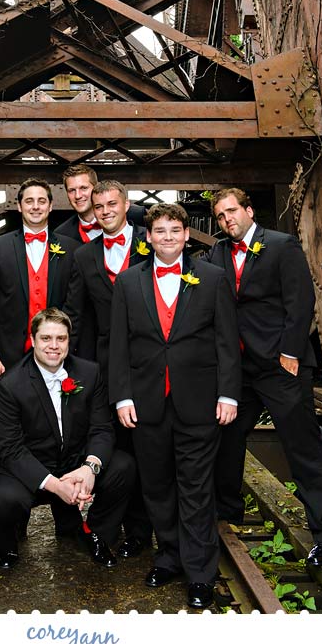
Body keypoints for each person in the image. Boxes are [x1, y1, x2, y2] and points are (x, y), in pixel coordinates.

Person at [109, 203, 241, 609]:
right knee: (158, 486)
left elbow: (226, 341)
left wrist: (228, 393)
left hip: (199, 403)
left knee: (197, 489)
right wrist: (122, 396)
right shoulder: (128, 282)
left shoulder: (213, 279)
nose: (167, 237)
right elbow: (119, 345)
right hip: (147, 403)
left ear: (187, 235)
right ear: (148, 238)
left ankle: (200, 573)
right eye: (159, 231)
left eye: (174, 230)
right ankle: (168, 556)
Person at [208, 187, 322, 567]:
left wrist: (290, 354)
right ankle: (228, 516)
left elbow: (300, 303)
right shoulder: (217, 253)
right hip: (239, 371)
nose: (226, 220)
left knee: (302, 448)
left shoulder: (282, 246)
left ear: (249, 210)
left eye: (231, 211)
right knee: (226, 439)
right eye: (220, 216)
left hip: (280, 366)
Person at [0, 308, 135, 571]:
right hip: (25, 467)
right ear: (33, 340)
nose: (54, 346)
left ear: (68, 341)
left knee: (124, 467)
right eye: (46, 338)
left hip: (73, 463)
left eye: (61, 339)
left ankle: (90, 530)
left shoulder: (89, 373)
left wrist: (89, 468)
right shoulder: (9, 385)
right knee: (3, 502)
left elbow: (102, 428)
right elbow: (9, 449)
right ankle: (8, 536)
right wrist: (54, 485)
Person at [64, 179, 154, 559]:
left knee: (148, 450)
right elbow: (75, 314)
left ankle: (142, 531)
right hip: (104, 367)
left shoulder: (152, 243)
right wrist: (72, 369)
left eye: (111, 204)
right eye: (98, 207)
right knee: (114, 449)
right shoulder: (84, 256)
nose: (105, 212)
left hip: (150, 365)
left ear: (126, 203)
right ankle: (105, 528)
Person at [0, 178, 78, 371]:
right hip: (10, 353)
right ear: (19, 206)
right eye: (29, 201)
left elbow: (75, 306)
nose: (35, 207)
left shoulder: (71, 249)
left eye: (41, 201)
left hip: (57, 353)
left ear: (51, 206)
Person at [54, 163, 145, 244]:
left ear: (95, 187)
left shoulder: (136, 215)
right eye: (72, 190)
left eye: (83, 188)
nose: (78, 196)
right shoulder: (62, 233)